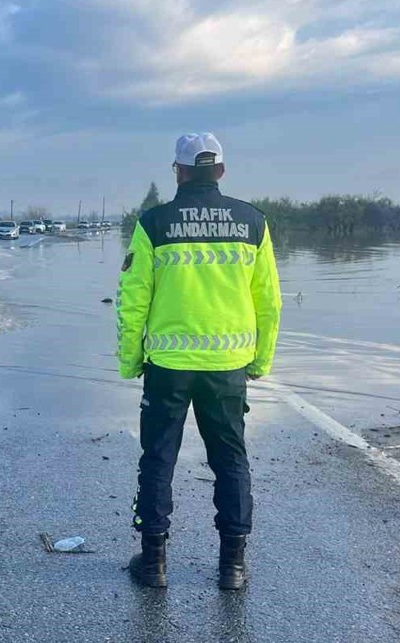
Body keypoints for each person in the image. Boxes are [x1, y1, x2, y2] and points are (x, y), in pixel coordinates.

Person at [117, 133, 283, 590]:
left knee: (158, 459)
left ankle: (153, 564)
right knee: (230, 459)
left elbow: (133, 300)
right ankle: (231, 567)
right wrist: (260, 359)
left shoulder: (155, 223)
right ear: (222, 172)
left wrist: (131, 360)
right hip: (228, 365)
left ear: (179, 171)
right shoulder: (253, 222)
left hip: (168, 366)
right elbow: (269, 300)